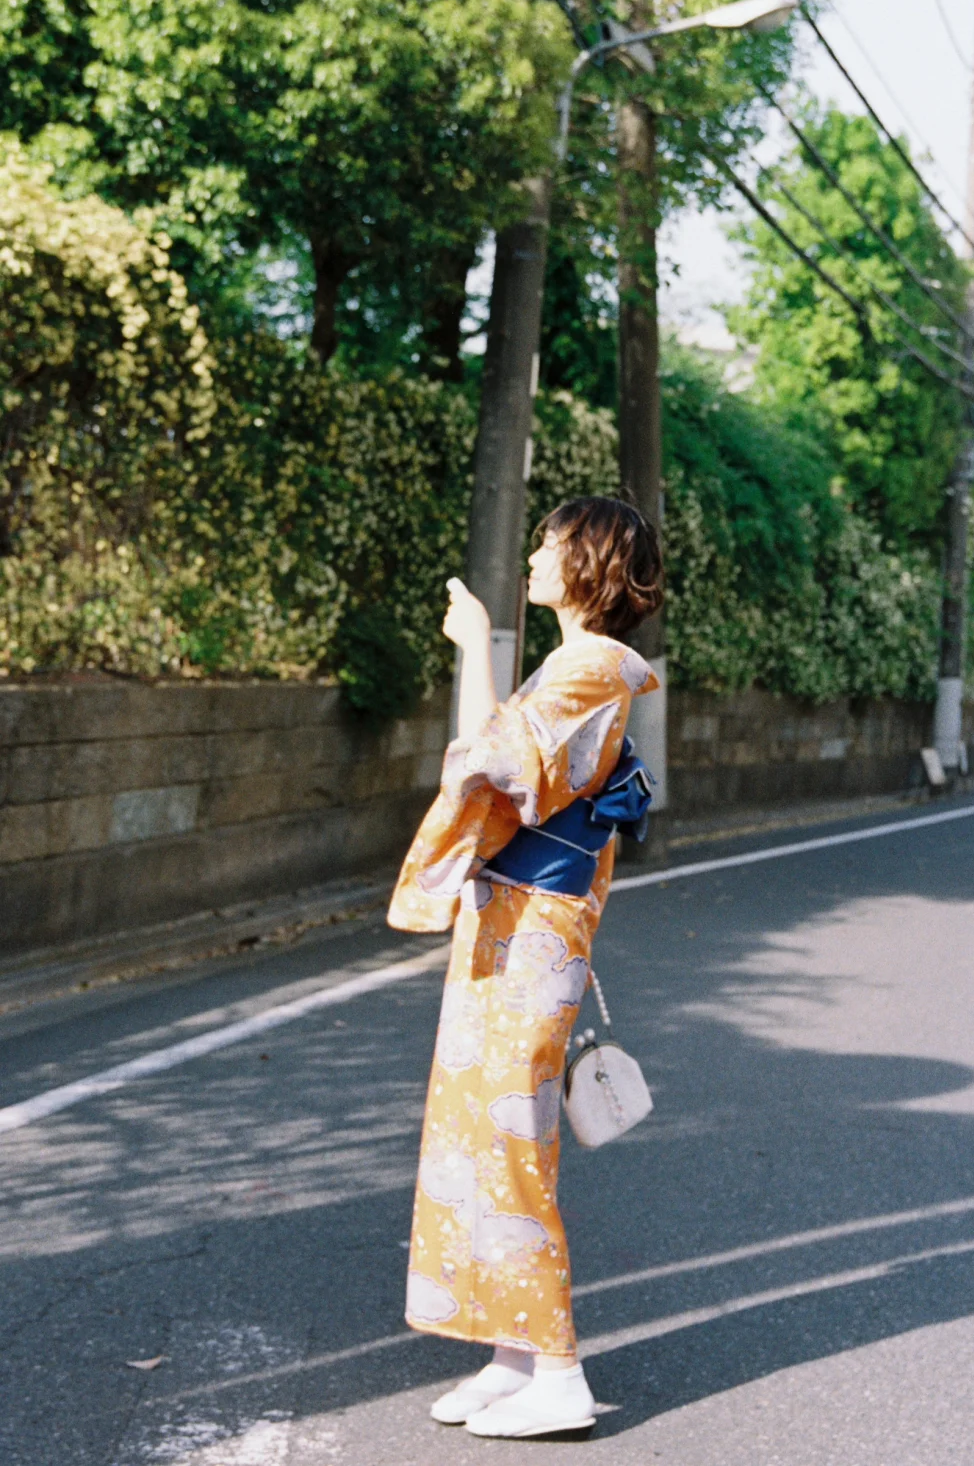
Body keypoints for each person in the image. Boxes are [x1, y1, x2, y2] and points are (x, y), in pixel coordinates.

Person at [387, 495, 664, 1439]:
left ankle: (558, 1369)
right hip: (516, 917)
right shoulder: (578, 665)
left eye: (550, 544)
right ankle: (511, 1354)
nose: (536, 556)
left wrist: (473, 650)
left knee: (506, 1132)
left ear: (591, 563)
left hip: (535, 924)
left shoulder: (592, 668)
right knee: (481, 1126)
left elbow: (488, 763)